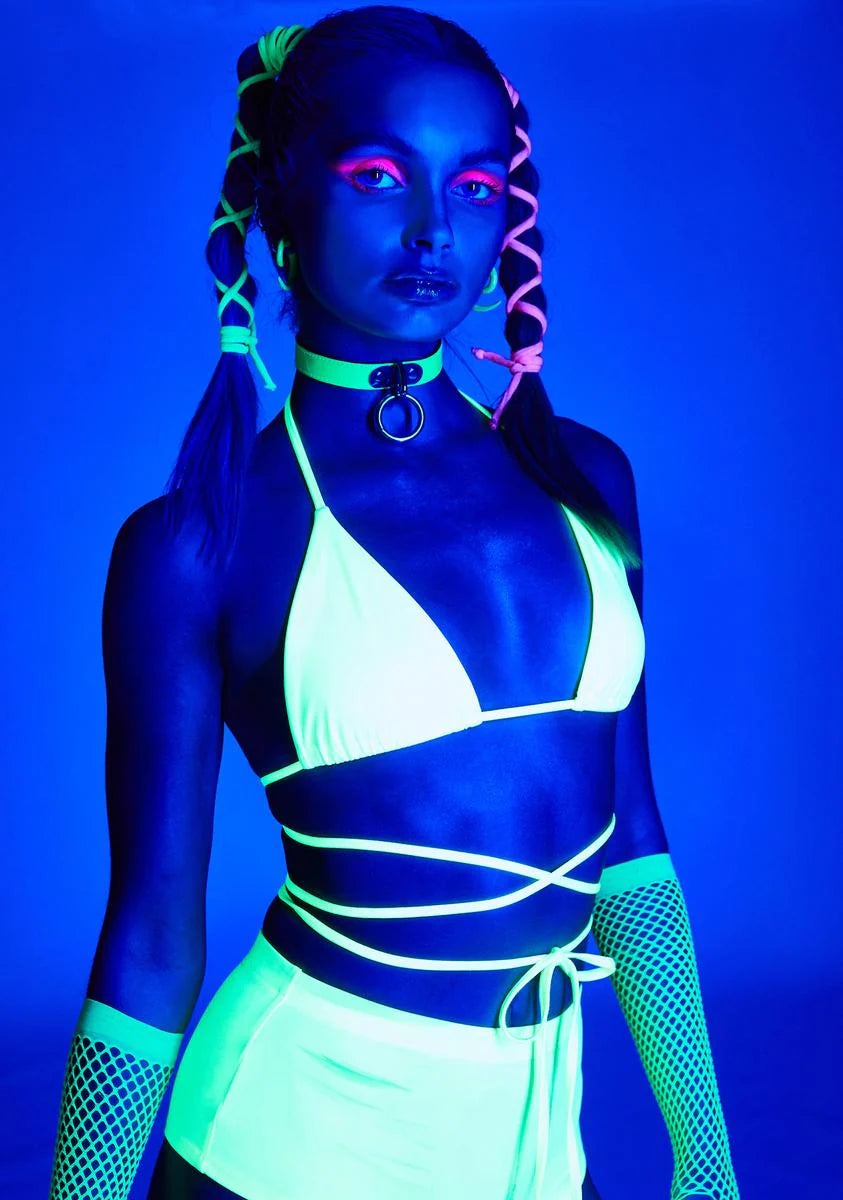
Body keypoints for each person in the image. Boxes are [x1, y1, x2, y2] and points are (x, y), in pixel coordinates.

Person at [47, 7, 741, 1200]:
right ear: (281, 199)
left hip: (536, 1143)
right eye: (379, 175)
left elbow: (631, 840)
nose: (433, 230)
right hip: (296, 1139)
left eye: (473, 188)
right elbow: (152, 938)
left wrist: (708, 1156)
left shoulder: (588, 483)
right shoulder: (199, 545)